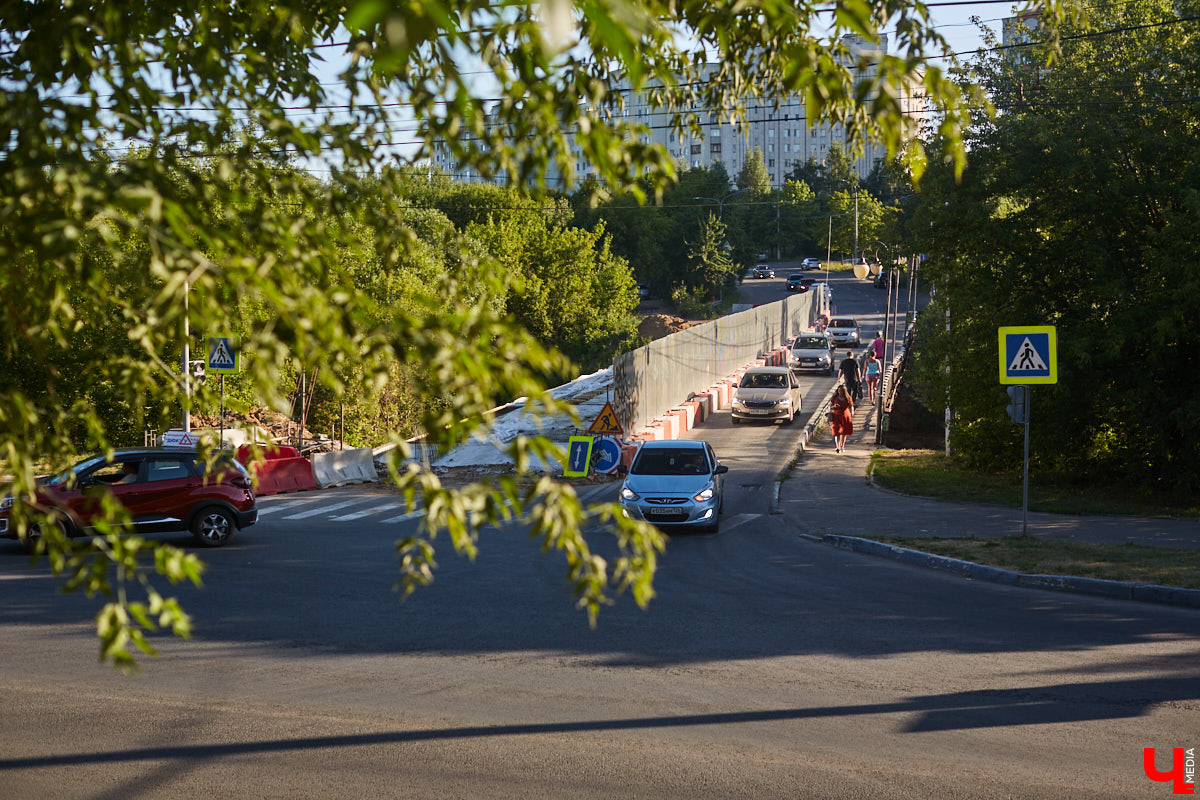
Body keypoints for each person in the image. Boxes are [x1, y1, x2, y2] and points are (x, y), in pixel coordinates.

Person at [830, 384, 854, 453]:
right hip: (837, 416)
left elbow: (851, 405)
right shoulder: (835, 398)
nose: (840, 392)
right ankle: (837, 447)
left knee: (844, 432)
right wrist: (835, 406)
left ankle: (842, 446)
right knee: (837, 432)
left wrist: (852, 412)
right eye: (839, 391)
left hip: (846, 416)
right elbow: (831, 407)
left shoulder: (847, 397)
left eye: (842, 391)